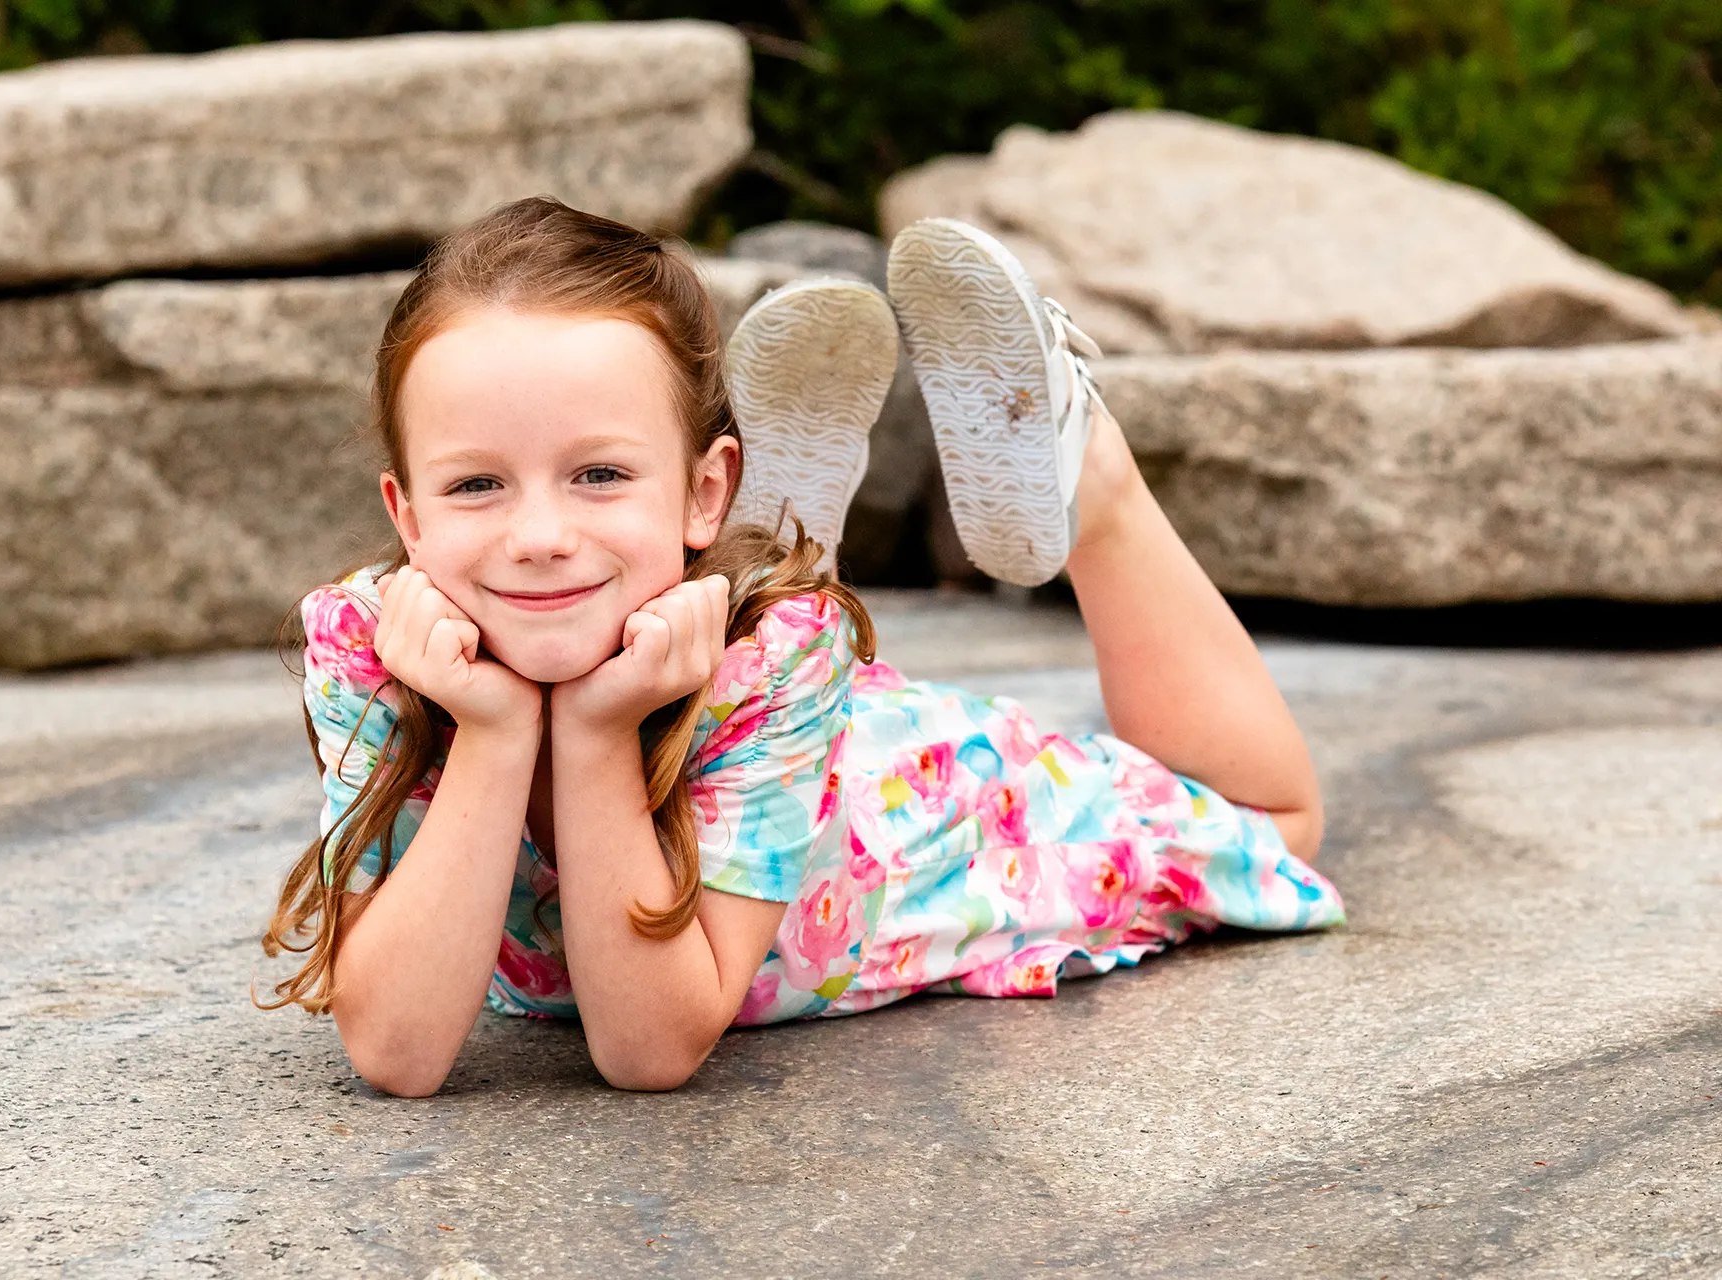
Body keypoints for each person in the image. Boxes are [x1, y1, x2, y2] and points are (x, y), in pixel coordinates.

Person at [258, 197, 1344, 1097]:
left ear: (701, 487)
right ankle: (762, 548)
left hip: (908, 809)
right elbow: (397, 1051)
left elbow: (649, 1048)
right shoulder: (376, 643)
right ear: (407, 517)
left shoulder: (773, 660)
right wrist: (495, 733)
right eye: (477, 484)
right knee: (726, 630)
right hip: (752, 718)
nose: (539, 537)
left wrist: (594, 729)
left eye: (598, 473)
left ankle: (1090, 476)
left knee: (1274, 825)